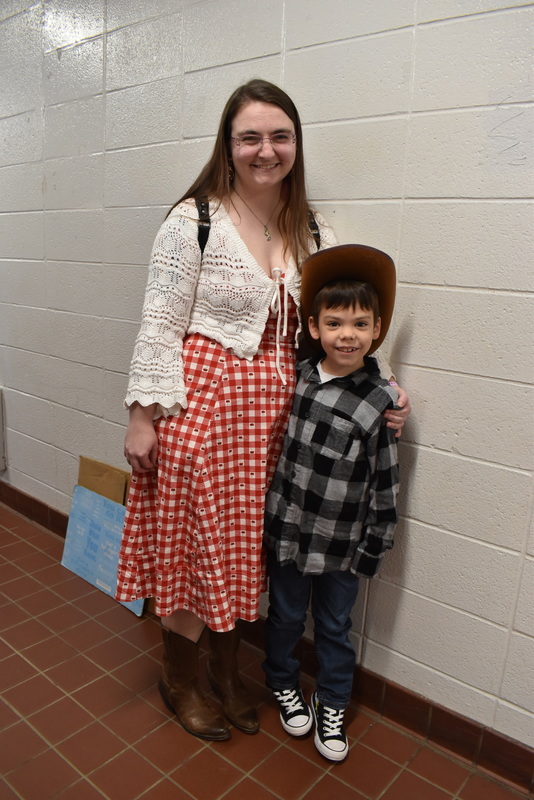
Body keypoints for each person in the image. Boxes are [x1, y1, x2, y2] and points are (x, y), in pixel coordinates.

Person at [116, 79, 410, 742]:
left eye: (279, 136)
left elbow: (336, 321)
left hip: (278, 416)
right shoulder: (194, 218)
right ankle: (181, 680)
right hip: (202, 402)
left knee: (248, 551)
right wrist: (141, 416)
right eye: (250, 137)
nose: (265, 150)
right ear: (228, 144)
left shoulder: (310, 227)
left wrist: (382, 386)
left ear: (296, 145)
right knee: (195, 545)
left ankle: (228, 674)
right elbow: (160, 320)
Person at [263, 244, 400, 762]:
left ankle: (333, 701)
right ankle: (281, 680)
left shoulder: (378, 403)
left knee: (336, 627)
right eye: (336, 322)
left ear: (377, 329)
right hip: (287, 535)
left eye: (361, 324)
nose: (348, 334)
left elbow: (385, 485)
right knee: (284, 617)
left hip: (341, 548)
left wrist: (373, 548)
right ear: (315, 328)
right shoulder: (296, 379)